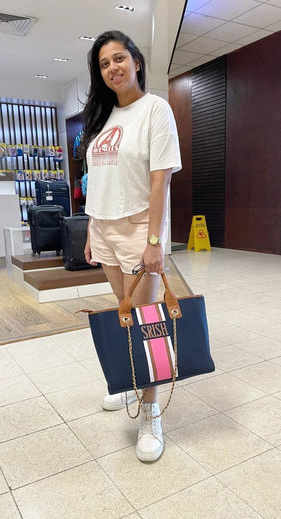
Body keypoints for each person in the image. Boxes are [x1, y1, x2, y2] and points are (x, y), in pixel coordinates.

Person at [81, 30, 181, 462]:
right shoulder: (101, 117)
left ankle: (152, 411)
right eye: (104, 64)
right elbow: (98, 181)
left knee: (147, 322)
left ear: (136, 61)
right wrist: (90, 229)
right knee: (125, 315)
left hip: (141, 227)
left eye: (119, 58)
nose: (112, 68)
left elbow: (161, 180)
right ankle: (128, 383)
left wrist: (155, 242)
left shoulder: (155, 109)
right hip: (103, 227)